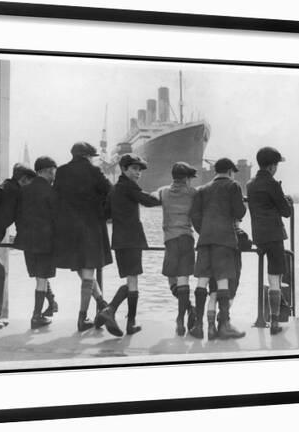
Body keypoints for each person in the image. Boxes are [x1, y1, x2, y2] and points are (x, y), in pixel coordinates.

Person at [97, 153, 161, 337]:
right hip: (132, 240)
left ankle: (105, 315)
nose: (138, 172)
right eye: (134, 168)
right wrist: (161, 194)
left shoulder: (115, 189)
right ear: (124, 169)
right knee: (133, 280)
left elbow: (105, 214)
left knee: (130, 279)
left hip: (118, 240)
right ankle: (122, 318)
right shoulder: (129, 187)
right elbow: (149, 201)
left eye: (140, 169)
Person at [53, 142, 113, 332]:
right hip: (90, 227)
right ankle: (82, 318)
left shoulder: (61, 172)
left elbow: (56, 198)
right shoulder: (94, 172)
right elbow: (110, 192)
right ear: (87, 156)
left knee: (81, 268)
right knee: (88, 271)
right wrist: (104, 213)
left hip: (68, 228)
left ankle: (103, 305)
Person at [189, 158, 247, 340]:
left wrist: (205, 231)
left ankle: (199, 326)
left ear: (215, 171)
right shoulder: (233, 186)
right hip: (225, 241)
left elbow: (195, 217)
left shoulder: (202, 189)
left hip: (205, 240)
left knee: (202, 281)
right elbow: (240, 212)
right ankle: (225, 325)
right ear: (230, 171)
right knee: (222, 282)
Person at [0, 163, 36, 330]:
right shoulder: (13, 191)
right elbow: (8, 217)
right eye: (30, 183)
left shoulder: (7, 187)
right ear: (23, 179)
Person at [247, 146, 292, 335]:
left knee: (266, 276)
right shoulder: (273, 184)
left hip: (259, 236)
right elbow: (286, 212)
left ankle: (262, 317)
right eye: (276, 165)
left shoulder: (250, 184)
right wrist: (286, 200)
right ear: (272, 166)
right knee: (275, 279)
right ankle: (274, 322)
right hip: (274, 237)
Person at [14, 156, 58, 329]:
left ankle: (50, 305)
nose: (56, 173)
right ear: (48, 170)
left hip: (26, 241)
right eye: (55, 170)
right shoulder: (51, 191)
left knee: (39, 277)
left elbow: (18, 215)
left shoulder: (24, 190)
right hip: (45, 242)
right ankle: (36, 316)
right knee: (42, 278)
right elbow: (57, 218)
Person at [157, 162, 198, 336]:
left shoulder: (163, 192)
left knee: (172, 281)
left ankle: (188, 310)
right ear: (187, 179)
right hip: (187, 239)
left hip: (171, 240)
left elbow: (151, 197)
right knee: (184, 280)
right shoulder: (193, 193)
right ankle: (182, 318)